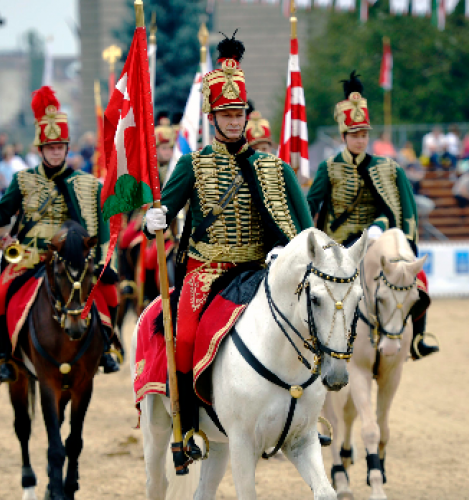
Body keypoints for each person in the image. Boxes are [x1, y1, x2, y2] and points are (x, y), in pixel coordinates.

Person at [142, 34, 312, 467]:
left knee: (311, 319)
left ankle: (311, 417)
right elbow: (164, 212)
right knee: (182, 341)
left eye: (239, 114)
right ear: (212, 117)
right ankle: (188, 430)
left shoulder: (274, 169)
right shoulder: (192, 165)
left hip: (258, 269)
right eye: (226, 114)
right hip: (207, 271)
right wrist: (152, 220)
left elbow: (306, 231)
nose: (235, 122)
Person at [0, 86, 121, 383]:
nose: (56, 152)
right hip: (29, 256)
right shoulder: (22, 180)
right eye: (50, 147)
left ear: (67, 148)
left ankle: (107, 347)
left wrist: (104, 261)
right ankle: (3, 356)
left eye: (60, 147)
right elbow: (3, 213)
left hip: (73, 258)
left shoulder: (88, 184)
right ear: (40, 150)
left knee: (110, 292)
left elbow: (102, 227)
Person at [307, 71, 437, 361]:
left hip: (377, 243)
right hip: (338, 246)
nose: (360, 140)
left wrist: (384, 229)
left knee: (420, 281)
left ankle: (417, 339)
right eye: (354, 135)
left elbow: (403, 211)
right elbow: (311, 204)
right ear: (344, 136)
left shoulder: (388, 168)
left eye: (364, 134)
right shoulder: (328, 168)